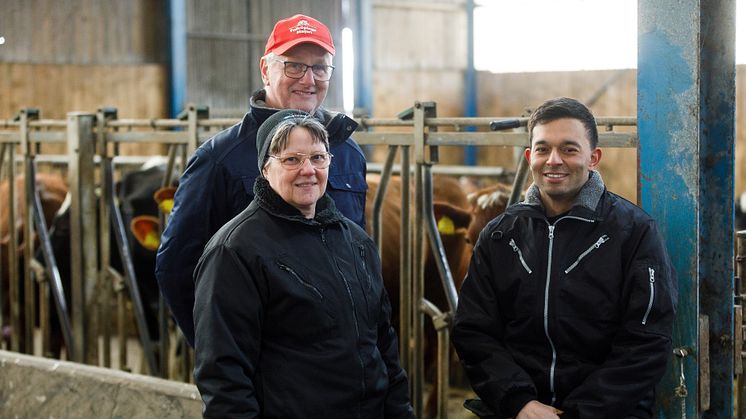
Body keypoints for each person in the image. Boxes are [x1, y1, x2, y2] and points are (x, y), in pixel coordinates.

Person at [452, 97, 678, 419]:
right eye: (543, 149)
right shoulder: (500, 235)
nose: (553, 160)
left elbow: (646, 341)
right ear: (530, 156)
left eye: (569, 149)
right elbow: (474, 331)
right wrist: (519, 402)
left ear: (593, 157)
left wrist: (580, 413)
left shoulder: (634, 233)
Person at [155, 14, 367, 346]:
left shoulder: (348, 153)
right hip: (262, 359)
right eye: (294, 66)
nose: (308, 79)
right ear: (266, 70)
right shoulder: (219, 159)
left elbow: (359, 258)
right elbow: (176, 266)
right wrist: (220, 354)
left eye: (320, 67)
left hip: (340, 357)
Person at [192, 109, 413, 418]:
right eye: (292, 160)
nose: (308, 170)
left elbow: (384, 344)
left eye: (318, 158)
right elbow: (223, 373)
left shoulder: (356, 241)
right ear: (266, 169)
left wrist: (400, 411)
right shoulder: (234, 251)